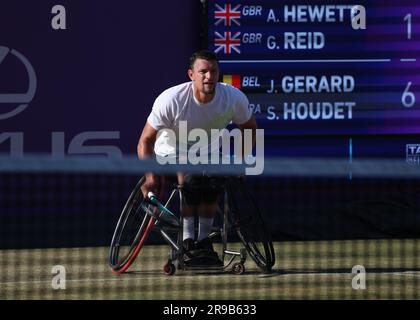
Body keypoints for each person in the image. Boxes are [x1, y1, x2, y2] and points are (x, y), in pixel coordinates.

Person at [137, 49, 257, 266]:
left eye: (213, 71)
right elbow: (145, 141)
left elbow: (249, 128)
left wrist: (242, 162)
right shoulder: (171, 100)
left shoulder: (232, 97)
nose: (209, 77)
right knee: (190, 174)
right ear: (191, 74)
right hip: (169, 154)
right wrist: (150, 177)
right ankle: (187, 239)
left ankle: (202, 241)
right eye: (203, 72)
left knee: (214, 177)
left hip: (208, 156)